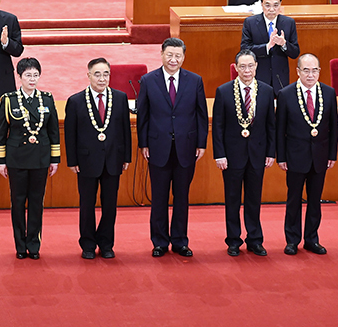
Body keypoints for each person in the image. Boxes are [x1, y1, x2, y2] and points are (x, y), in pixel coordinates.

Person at [137, 38, 208, 257]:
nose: (173, 59)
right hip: (158, 147)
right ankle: (159, 242)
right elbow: (143, 115)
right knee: (159, 197)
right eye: (169, 55)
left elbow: (201, 115)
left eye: (178, 56)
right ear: (161, 55)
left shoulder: (195, 80)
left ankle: (180, 241)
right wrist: (143, 143)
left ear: (183, 57)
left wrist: (201, 143)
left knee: (182, 197)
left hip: (186, 148)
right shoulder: (148, 80)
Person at [64, 58, 132, 259]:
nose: (102, 79)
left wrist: (126, 156)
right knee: (87, 205)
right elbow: (70, 133)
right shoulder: (75, 101)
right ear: (88, 76)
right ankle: (87, 244)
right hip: (86, 162)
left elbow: (125, 130)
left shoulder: (120, 98)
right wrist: (72, 160)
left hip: (113, 160)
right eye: (97, 74)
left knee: (110, 205)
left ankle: (106, 243)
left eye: (106, 74)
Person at [212, 50, 276, 257]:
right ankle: (233, 240)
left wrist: (271, 152)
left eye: (250, 66)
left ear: (256, 66)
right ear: (236, 68)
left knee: (254, 199)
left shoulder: (267, 91)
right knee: (232, 199)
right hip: (231, 156)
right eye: (242, 66)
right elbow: (218, 126)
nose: (247, 70)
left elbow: (271, 126)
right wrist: (219, 154)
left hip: (258, 154)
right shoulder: (223, 91)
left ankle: (255, 239)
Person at [0, 58, 60, 260]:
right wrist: (1, 161)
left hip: (40, 158)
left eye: (35, 75)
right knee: (17, 202)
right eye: (28, 75)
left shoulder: (47, 99)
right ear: (19, 76)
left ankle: (34, 244)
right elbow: (1, 133)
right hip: (17, 159)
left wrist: (55, 159)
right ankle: (20, 245)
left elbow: (54, 131)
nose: (32, 79)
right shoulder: (9, 100)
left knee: (36, 202)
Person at [276, 54, 338, 256]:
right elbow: (280, 129)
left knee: (315, 200)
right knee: (293, 200)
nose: (310, 75)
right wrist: (281, 157)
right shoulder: (286, 94)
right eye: (306, 70)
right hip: (295, 156)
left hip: (320, 156)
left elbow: (334, 127)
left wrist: (332, 154)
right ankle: (292, 240)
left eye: (314, 70)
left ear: (319, 71)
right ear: (298, 72)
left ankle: (312, 239)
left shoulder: (329, 93)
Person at [240, 0, 300, 94]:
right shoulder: (250, 22)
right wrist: (267, 47)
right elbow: (245, 50)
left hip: (280, 78)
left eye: (275, 5)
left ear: (280, 5)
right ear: (261, 5)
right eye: (267, 5)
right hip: (259, 76)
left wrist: (284, 44)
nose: (271, 9)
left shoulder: (289, 23)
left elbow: (295, 52)